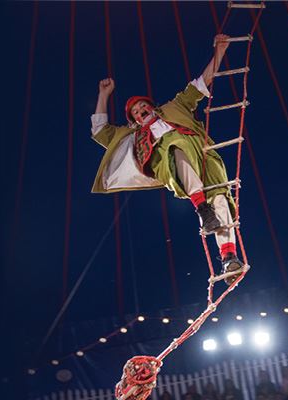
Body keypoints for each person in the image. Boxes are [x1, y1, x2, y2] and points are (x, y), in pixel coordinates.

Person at [89, 33, 245, 285]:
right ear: (134, 120)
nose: (141, 112)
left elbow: (201, 84)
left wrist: (221, 51)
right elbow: (99, 131)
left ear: (152, 105)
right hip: (168, 162)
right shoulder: (131, 134)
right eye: (136, 113)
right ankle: (201, 207)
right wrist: (104, 95)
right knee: (175, 145)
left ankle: (229, 257)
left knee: (220, 198)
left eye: (143, 106)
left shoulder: (175, 107)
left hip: (204, 156)